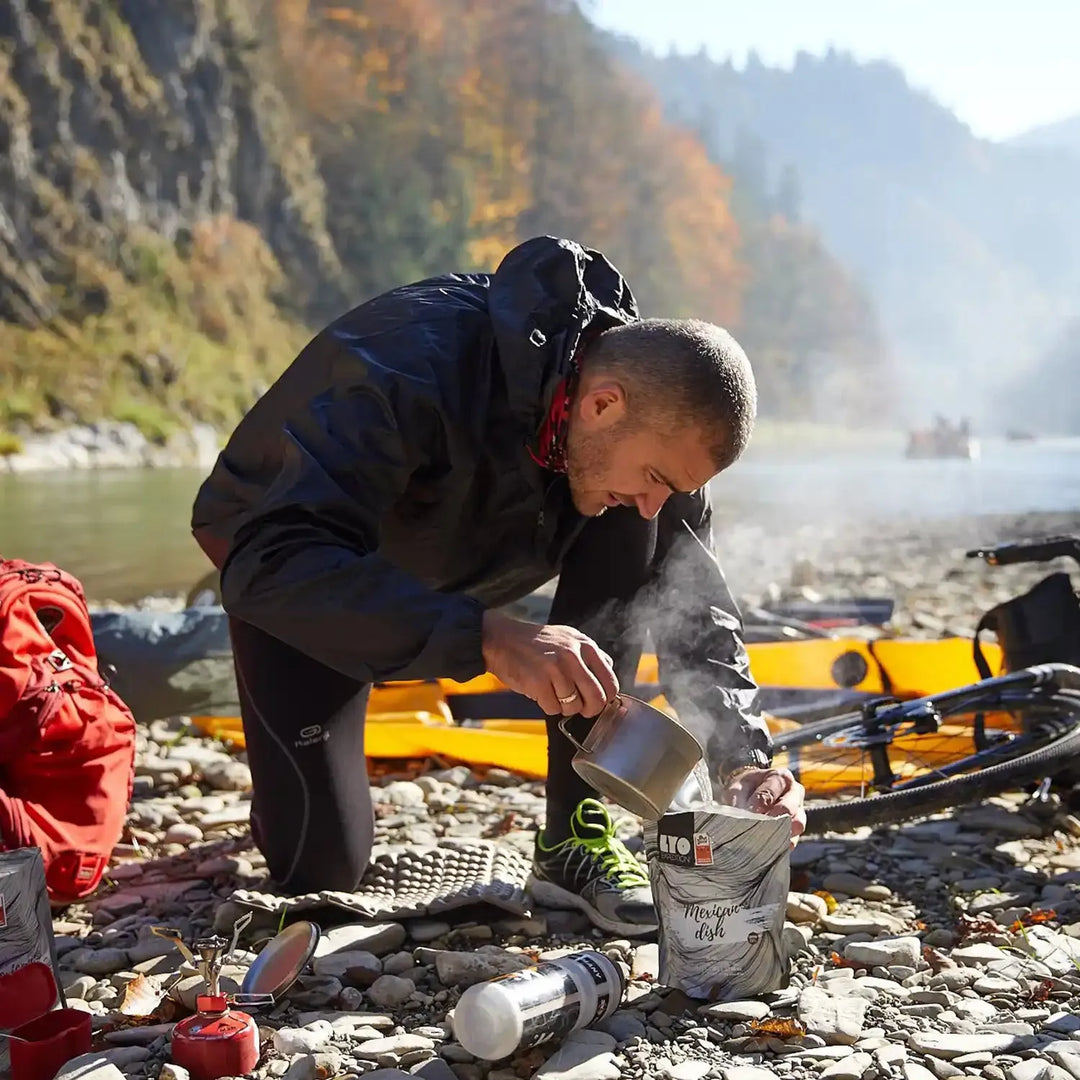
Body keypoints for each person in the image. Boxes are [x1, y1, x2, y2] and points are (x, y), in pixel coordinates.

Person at [190, 235, 806, 936]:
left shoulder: (655, 422)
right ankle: (280, 791)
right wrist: (484, 636)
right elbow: (264, 559)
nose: (654, 500)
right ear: (603, 405)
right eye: (659, 478)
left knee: (635, 528)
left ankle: (575, 834)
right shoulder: (405, 362)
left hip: (458, 578)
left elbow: (694, 606)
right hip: (310, 577)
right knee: (319, 868)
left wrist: (745, 765)